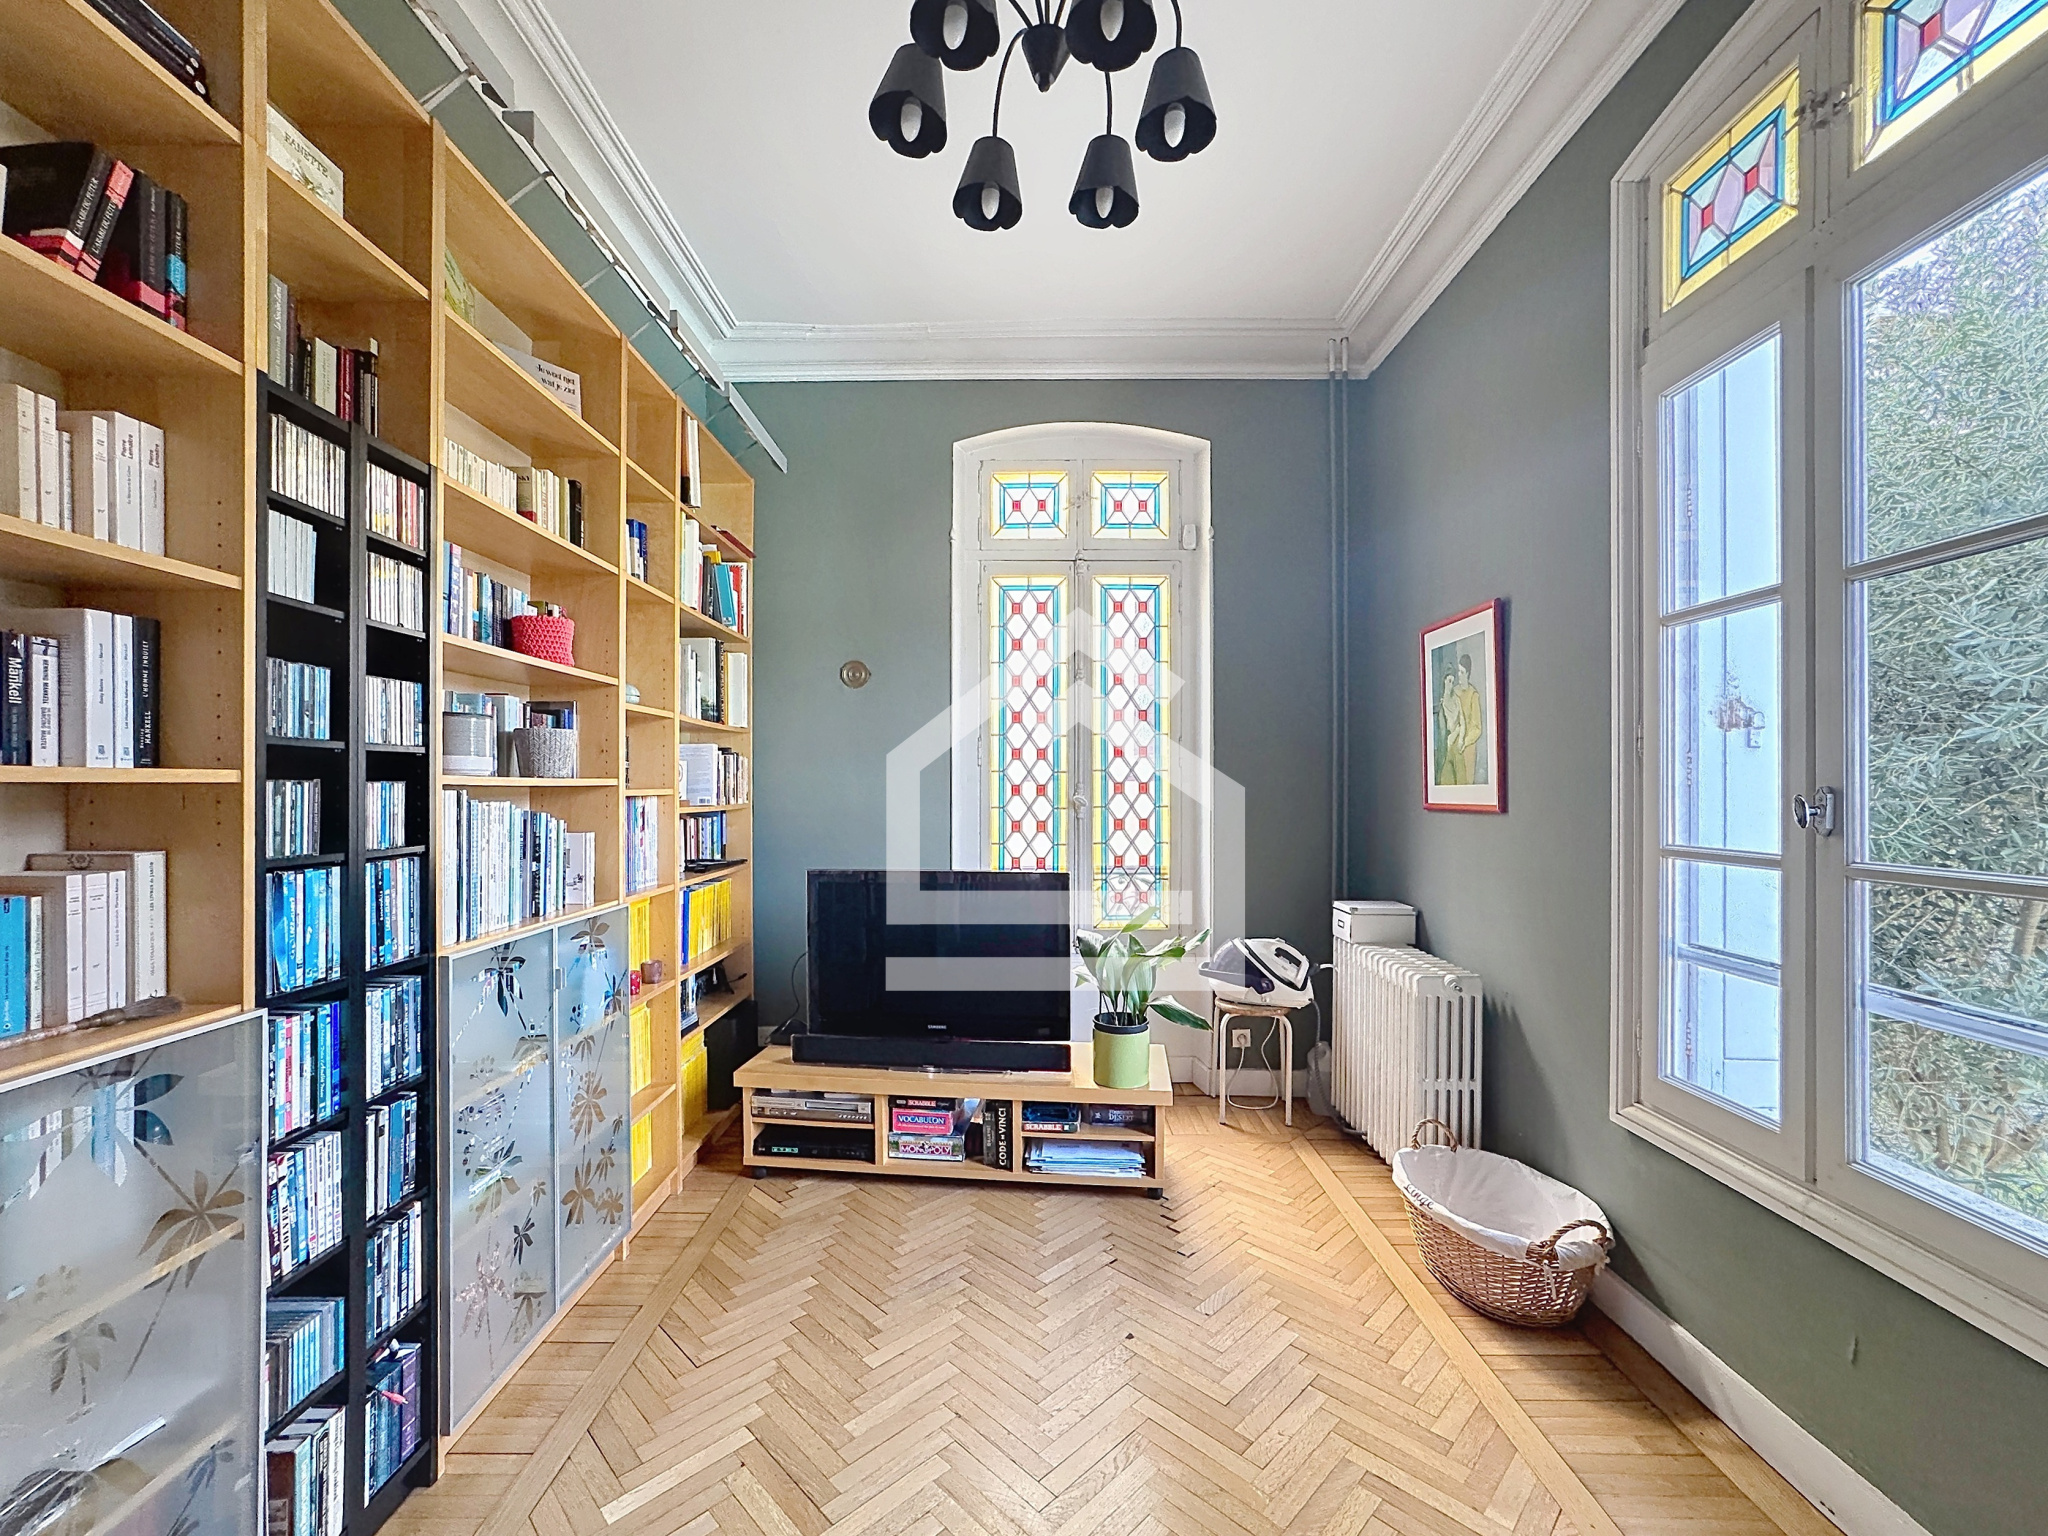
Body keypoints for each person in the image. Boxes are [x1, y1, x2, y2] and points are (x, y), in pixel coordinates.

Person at [1439, 653, 1484, 785]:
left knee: (1465, 784)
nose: (1459, 675)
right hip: (1454, 744)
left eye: (1462, 672)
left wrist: (1465, 741)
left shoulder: (1473, 695)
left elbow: (1477, 728)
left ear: (1468, 673)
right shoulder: (1455, 691)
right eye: (1458, 671)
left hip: (1467, 747)